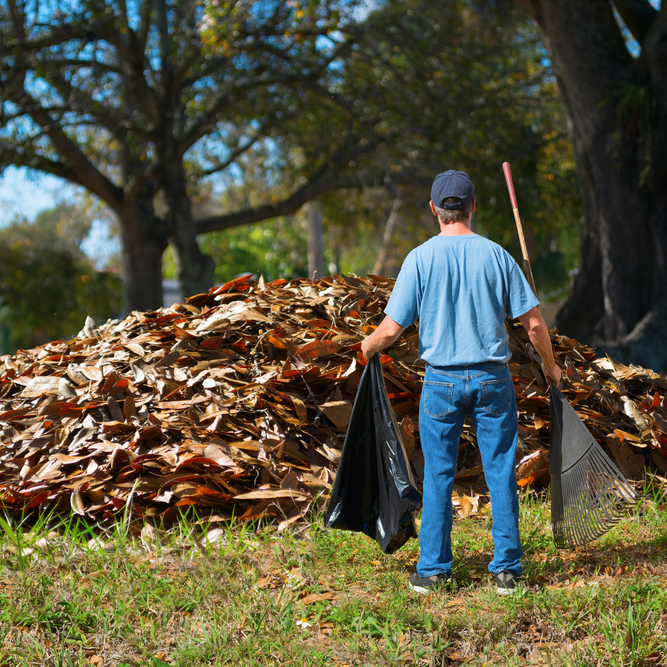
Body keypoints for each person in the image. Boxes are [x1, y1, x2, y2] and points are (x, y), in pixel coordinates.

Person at [360, 170, 561, 595]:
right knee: (501, 472)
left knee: (438, 475)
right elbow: (536, 324)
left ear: (434, 209)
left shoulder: (419, 259)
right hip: (492, 380)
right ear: (473, 206)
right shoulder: (498, 256)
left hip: (441, 384)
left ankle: (433, 570)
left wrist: (366, 347)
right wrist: (552, 366)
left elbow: (391, 330)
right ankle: (507, 570)